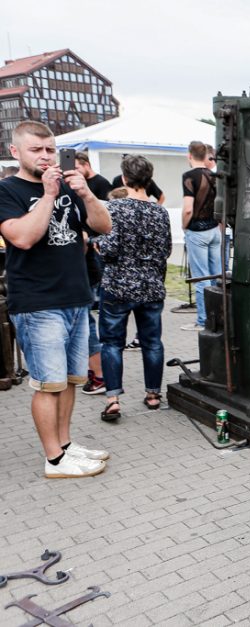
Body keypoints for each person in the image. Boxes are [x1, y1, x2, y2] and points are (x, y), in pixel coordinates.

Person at [0, 120, 112, 478]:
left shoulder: (68, 186)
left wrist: (87, 194)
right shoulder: (7, 190)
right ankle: (54, 460)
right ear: (15, 151)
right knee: (48, 384)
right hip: (37, 303)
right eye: (36, 150)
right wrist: (48, 196)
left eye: (50, 149)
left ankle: (65, 445)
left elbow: (103, 227)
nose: (46, 156)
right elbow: (22, 238)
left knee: (70, 380)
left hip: (76, 297)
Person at [97, 155, 172, 421]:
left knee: (111, 343)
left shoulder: (114, 208)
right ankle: (153, 395)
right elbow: (166, 250)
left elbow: (109, 248)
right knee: (152, 342)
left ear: (124, 178)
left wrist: (96, 244)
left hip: (118, 285)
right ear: (148, 180)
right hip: (151, 286)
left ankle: (113, 399)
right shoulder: (160, 212)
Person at [76, 151, 113, 396]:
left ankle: (100, 375)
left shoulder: (96, 186)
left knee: (87, 321)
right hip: (85, 266)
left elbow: (105, 224)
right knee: (87, 320)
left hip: (88, 264)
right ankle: (98, 372)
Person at [180, 140, 220, 332]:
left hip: (197, 231)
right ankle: (218, 318)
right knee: (216, 277)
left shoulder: (189, 176)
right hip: (214, 230)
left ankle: (203, 321)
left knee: (201, 278)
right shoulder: (214, 175)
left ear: (189, 155)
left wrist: (183, 226)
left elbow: (188, 209)